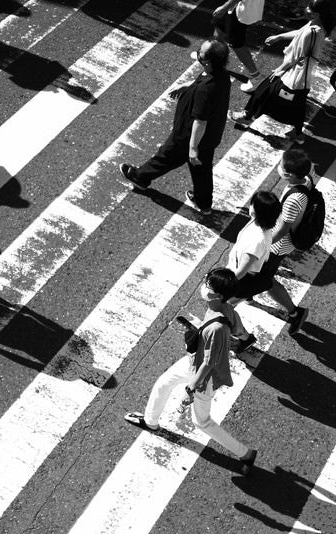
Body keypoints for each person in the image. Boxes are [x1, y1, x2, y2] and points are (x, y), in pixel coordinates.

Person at [124, 268, 258, 476]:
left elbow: (209, 362)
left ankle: (246, 454)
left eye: (208, 285)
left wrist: (190, 388)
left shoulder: (217, 328)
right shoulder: (224, 309)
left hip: (203, 376)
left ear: (219, 294)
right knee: (163, 383)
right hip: (193, 363)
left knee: (202, 422)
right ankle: (151, 422)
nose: (204, 287)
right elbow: (239, 331)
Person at [120, 40, 231, 215]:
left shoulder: (206, 89)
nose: (198, 53)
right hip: (210, 137)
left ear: (208, 61)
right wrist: (188, 87)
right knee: (202, 170)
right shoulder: (221, 76)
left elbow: (200, 121)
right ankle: (204, 204)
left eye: (201, 52)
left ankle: (140, 177)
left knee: (166, 155)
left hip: (188, 136)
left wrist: (192, 148)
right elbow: (207, 92)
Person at [229, 0, 331, 143]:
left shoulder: (312, 32)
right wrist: (279, 37)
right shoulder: (315, 26)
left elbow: (298, 57)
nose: (306, 9)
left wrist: (279, 71)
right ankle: (297, 133)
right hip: (300, 76)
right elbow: (300, 32)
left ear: (316, 13)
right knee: (296, 106)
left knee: (263, 91)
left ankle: (246, 116)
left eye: (309, 8)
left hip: (295, 75)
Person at [243, 149, 312, 333]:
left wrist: (264, 244)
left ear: (288, 174)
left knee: (266, 280)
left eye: (280, 165)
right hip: (279, 245)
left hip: (277, 247)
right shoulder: (306, 181)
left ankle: (295, 313)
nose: (278, 167)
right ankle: (248, 293)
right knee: (257, 274)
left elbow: (283, 229)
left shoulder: (294, 200)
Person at [226, 191, 281, 306]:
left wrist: (223, 285)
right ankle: (246, 297)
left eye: (253, 205)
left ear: (259, 212)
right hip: (241, 270)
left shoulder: (257, 241)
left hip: (242, 279)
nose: (250, 206)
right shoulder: (258, 222)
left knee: (226, 304)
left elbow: (241, 272)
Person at [211, 0, 265, 92]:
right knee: (219, 26)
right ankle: (214, 59)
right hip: (232, 6)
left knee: (236, 44)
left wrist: (225, 7)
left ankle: (257, 77)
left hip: (238, 8)